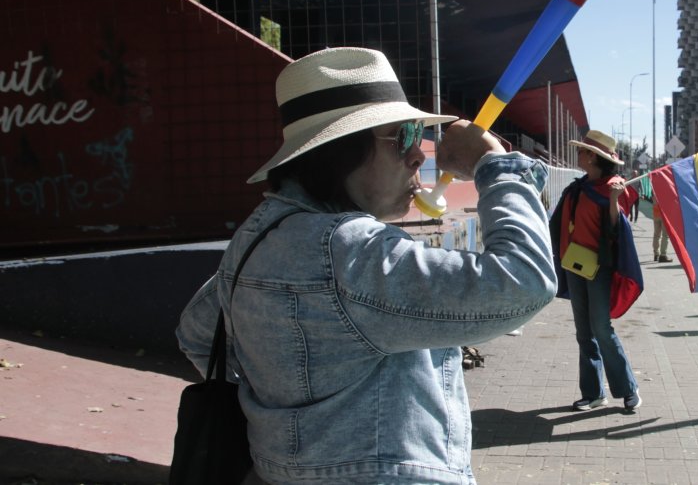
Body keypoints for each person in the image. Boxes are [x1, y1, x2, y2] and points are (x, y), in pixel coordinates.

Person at [176, 47, 556, 485]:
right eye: (401, 137)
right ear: (340, 152)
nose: (418, 155)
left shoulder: (257, 236)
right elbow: (522, 283)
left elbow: (198, 332)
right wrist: (498, 168)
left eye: (418, 135)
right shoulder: (352, 251)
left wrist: (286, 412)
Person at [549, 129, 643, 414]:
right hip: (574, 266)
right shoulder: (577, 188)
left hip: (599, 270)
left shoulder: (612, 188)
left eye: (582, 151)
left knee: (602, 328)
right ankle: (592, 393)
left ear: (593, 157)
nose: (578, 154)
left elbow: (616, 231)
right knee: (583, 332)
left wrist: (614, 199)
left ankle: (628, 389)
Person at [650, 184, 671, 263]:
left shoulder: (654, 187)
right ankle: (663, 255)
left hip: (656, 214)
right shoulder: (666, 189)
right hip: (664, 214)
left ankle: (656, 253)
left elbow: (652, 198)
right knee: (665, 236)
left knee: (656, 235)